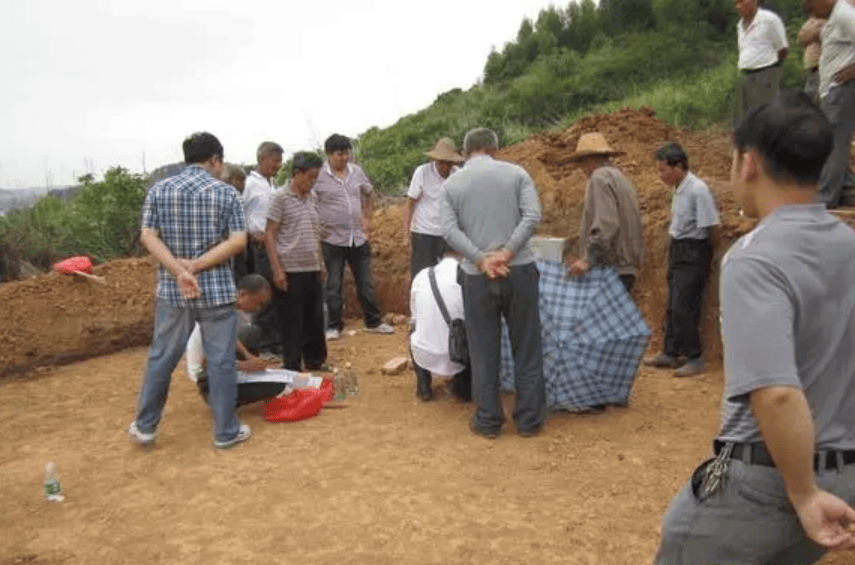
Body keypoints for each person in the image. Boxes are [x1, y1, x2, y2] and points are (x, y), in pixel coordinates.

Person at [654, 93, 855, 564]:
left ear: (749, 163)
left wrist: (803, 495)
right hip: (844, 470)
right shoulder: (848, 243)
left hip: (769, 483)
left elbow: (778, 394)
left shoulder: (754, 259)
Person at [128, 132, 251, 449]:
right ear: (214, 159)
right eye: (219, 162)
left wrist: (178, 270)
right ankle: (225, 431)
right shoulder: (226, 194)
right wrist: (195, 267)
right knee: (221, 361)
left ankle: (145, 427)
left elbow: (147, 237)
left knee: (161, 358)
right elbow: (238, 241)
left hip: (173, 292)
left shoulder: (160, 189)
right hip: (217, 292)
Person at [440, 127, 545, 439]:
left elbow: (448, 230)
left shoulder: (451, 184)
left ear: (467, 150)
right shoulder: (517, 174)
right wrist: (509, 252)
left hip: (477, 277)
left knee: (483, 349)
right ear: (494, 149)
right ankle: (528, 421)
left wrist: (480, 258)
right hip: (520, 271)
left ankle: (487, 420)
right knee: (526, 347)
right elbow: (532, 216)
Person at [644, 143, 720, 377]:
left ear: (678, 167)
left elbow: (712, 226)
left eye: (663, 170)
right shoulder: (678, 188)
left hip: (693, 250)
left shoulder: (698, 189)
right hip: (678, 248)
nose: (660, 175)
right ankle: (670, 351)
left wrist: (712, 256)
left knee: (683, 306)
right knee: (672, 304)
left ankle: (694, 357)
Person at [314, 133, 393, 340]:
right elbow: (308, 201)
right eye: (339, 154)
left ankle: (373, 321)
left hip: (358, 237)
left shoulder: (356, 172)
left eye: (346, 153)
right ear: (329, 155)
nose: (344, 158)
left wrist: (366, 220)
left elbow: (368, 194)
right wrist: (317, 226)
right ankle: (333, 326)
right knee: (333, 284)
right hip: (332, 240)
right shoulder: (318, 176)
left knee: (366, 282)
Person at [265, 152, 328, 372]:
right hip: (289, 268)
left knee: (314, 317)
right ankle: (292, 365)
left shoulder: (312, 197)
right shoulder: (280, 198)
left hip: (311, 266)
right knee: (291, 320)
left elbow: (315, 231)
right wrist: (277, 269)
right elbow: (270, 234)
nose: (313, 181)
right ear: (297, 174)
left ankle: (315, 361)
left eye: (316, 177)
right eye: (311, 176)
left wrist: (321, 263)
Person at [186, 274, 288, 406]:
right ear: (243, 295)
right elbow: (208, 362)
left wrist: (248, 356)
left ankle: (246, 380)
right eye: (258, 303)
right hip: (207, 378)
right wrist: (243, 366)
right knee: (278, 385)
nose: (258, 309)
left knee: (252, 332)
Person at [565, 132, 643, 294]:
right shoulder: (620, 177)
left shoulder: (599, 179)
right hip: (624, 268)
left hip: (611, 269)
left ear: (589, 160)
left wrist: (588, 259)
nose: (581, 168)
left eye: (581, 162)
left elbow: (606, 225)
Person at [806, 0, 855, 208]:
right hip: (833, 90)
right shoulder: (835, 15)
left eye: (812, 7)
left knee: (833, 143)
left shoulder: (843, 13)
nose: (813, 14)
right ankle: (844, 190)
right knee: (837, 142)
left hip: (840, 90)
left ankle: (826, 197)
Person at [409, 250, 471, 402]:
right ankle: (462, 389)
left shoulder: (422, 276)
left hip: (425, 355)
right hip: (459, 356)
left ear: (439, 258)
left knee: (412, 330)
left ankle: (423, 386)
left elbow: (414, 318)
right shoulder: (468, 278)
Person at [402, 137, 464, 281]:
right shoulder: (422, 172)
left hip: (448, 232)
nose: (445, 166)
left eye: (448, 162)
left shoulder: (458, 174)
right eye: (441, 162)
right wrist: (406, 236)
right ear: (435, 160)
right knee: (422, 275)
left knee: (452, 275)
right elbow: (410, 204)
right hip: (424, 232)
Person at [243, 141, 284, 352]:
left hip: (273, 246)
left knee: (275, 294)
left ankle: (275, 342)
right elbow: (237, 213)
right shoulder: (249, 184)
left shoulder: (271, 185)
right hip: (258, 248)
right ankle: (265, 345)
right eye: (276, 160)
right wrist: (250, 234)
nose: (279, 165)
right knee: (263, 295)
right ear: (264, 158)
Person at [734, 0, 789, 124]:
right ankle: (748, 142)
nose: (739, 6)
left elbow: (783, 49)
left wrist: (772, 69)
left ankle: (768, 142)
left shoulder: (769, 20)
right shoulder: (740, 25)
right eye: (736, 3)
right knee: (743, 116)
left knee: (764, 115)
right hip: (745, 73)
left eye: (742, 1)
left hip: (765, 72)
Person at [222, 164, 250, 282]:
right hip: (231, 250)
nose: (244, 185)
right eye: (242, 180)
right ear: (233, 179)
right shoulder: (232, 196)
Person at [798, 16, 827, 103]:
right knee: (810, 99)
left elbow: (823, 36)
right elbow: (801, 38)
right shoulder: (815, 19)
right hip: (813, 67)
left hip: (824, 66)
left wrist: (814, 33)